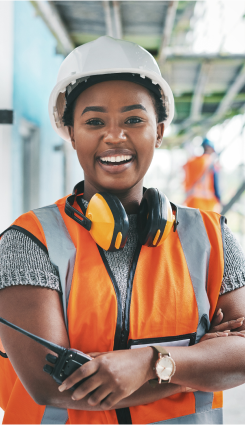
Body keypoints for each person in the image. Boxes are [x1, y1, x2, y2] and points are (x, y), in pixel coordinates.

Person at [0, 36, 245, 425]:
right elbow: (50, 386)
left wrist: (148, 364)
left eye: (134, 119)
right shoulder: (28, 242)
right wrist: (196, 360)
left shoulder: (211, 237)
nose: (115, 136)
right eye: (94, 121)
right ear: (71, 133)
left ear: (159, 131)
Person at [183, 137, 221, 212]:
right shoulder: (210, 162)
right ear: (209, 148)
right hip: (207, 203)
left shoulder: (191, 162)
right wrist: (219, 198)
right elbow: (215, 183)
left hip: (191, 201)